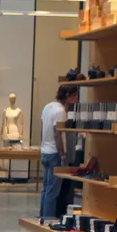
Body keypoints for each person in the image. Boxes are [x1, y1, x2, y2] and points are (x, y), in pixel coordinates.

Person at [40, 85, 79, 218]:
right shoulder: (60, 111)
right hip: (54, 154)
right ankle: (48, 220)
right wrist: (62, 154)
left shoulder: (47, 107)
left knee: (46, 189)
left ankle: (42, 219)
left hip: (45, 151)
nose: (76, 99)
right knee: (53, 191)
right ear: (68, 96)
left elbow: (43, 129)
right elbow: (58, 134)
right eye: (75, 96)